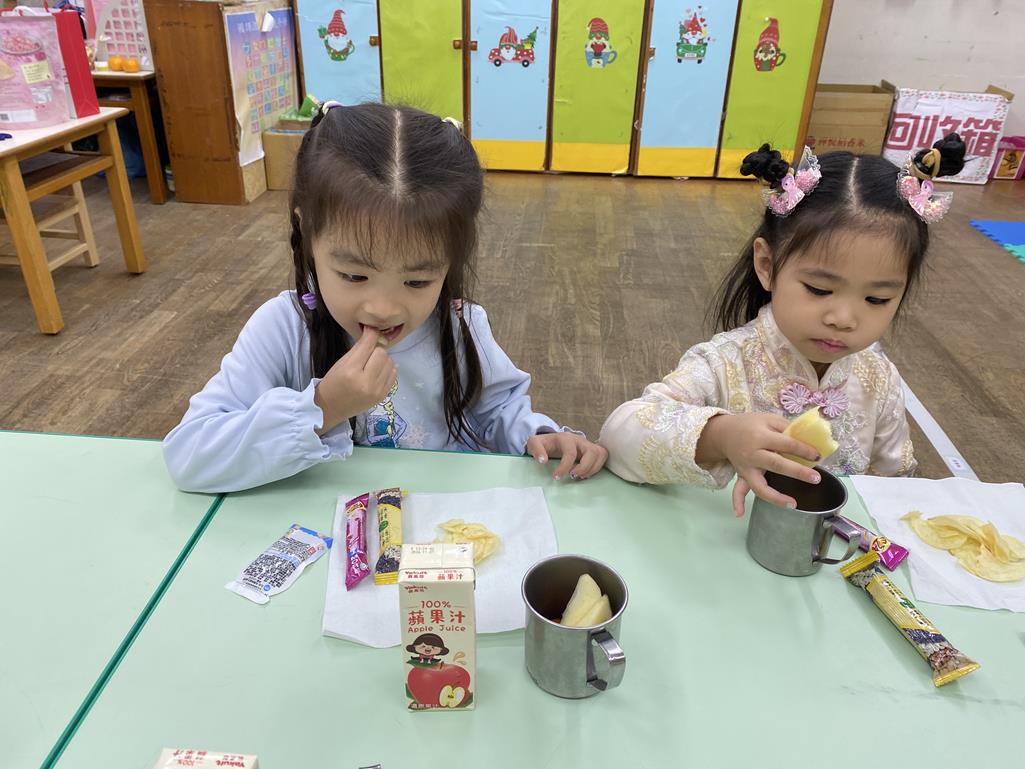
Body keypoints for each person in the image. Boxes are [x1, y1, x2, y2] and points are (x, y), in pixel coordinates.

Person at [165, 102, 607, 493]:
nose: (383, 308)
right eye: (354, 275)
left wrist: (538, 435)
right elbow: (189, 456)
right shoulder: (284, 327)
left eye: (417, 281)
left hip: (439, 526)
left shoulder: (460, 325)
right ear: (305, 230)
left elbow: (497, 410)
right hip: (329, 530)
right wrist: (323, 408)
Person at [600, 135, 966, 516]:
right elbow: (619, 435)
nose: (843, 319)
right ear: (767, 265)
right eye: (819, 289)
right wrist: (720, 435)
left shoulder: (878, 378)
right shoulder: (724, 364)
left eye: (877, 299)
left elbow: (898, 486)